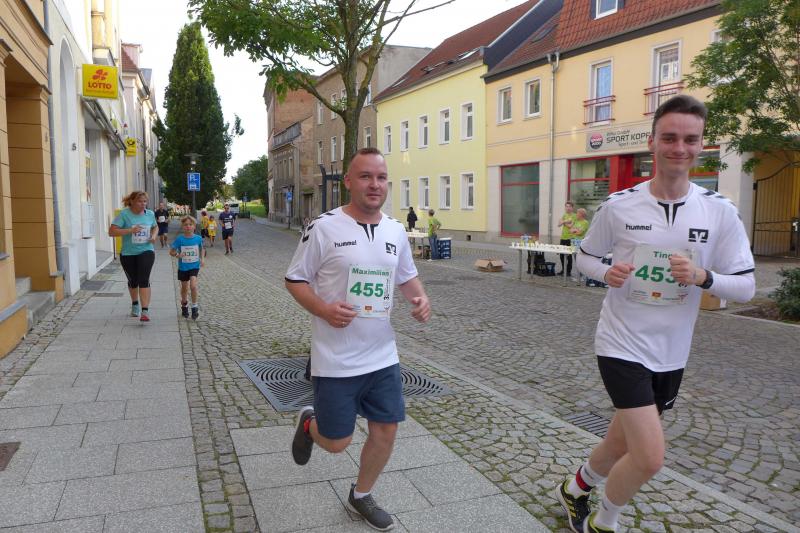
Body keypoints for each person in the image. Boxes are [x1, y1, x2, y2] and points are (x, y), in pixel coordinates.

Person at [556, 95, 755, 533]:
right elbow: (584, 257)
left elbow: (746, 286)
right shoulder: (620, 205)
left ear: (701, 144)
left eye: (690, 139)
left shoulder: (719, 212)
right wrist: (606, 273)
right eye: (669, 138)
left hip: (672, 351)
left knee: (619, 439)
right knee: (649, 457)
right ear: (652, 142)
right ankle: (605, 522)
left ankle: (575, 487)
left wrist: (703, 276)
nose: (679, 148)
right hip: (621, 342)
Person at [285, 147, 431, 531]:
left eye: (381, 178)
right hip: (335, 359)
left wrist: (419, 298)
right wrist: (323, 309)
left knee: (387, 430)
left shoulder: (395, 230)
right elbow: (295, 279)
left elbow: (406, 276)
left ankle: (361, 495)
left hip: (382, 356)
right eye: (365, 176)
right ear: (348, 182)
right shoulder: (323, 227)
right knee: (337, 443)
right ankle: (309, 424)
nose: (374, 184)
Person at [108, 191, 158, 322]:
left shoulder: (150, 214)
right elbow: (111, 232)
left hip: (146, 250)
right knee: (133, 281)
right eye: (140, 201)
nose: (143, 204)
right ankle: (135, 304)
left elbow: (155, 227)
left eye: (145, 201)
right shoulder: (124, 214)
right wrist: (130, 230)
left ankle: (145, 311)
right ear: (132, 201)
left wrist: (153, 236)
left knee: (144, 279)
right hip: (128, 253)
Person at [170, 215, 204, 320]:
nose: (188, 226)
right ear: (183, 227)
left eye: (190, 224)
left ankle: (194, 307)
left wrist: (202, 259)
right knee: (184, 288)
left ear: (194, 226)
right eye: (185, 225)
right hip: (183, 267)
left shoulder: (198, 238)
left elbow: (202, 249)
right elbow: (171, 251)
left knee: (193, 286)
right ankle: (184, 304)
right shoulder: (180, 239)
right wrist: (177, 255)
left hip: (194, 266)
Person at [557, 201, 577, 276]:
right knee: (561, 255)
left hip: (570, 238)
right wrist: (566, 221)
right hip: (563, 237)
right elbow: (559, 224)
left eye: (569, 206)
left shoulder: (574, 216)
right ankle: (563, 270)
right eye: (566, 206)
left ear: (572, 208)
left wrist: (563, 222)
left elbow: (570, 226)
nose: (568, 208)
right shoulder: (564, 215)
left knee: (569, 255)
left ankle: (568, 271)